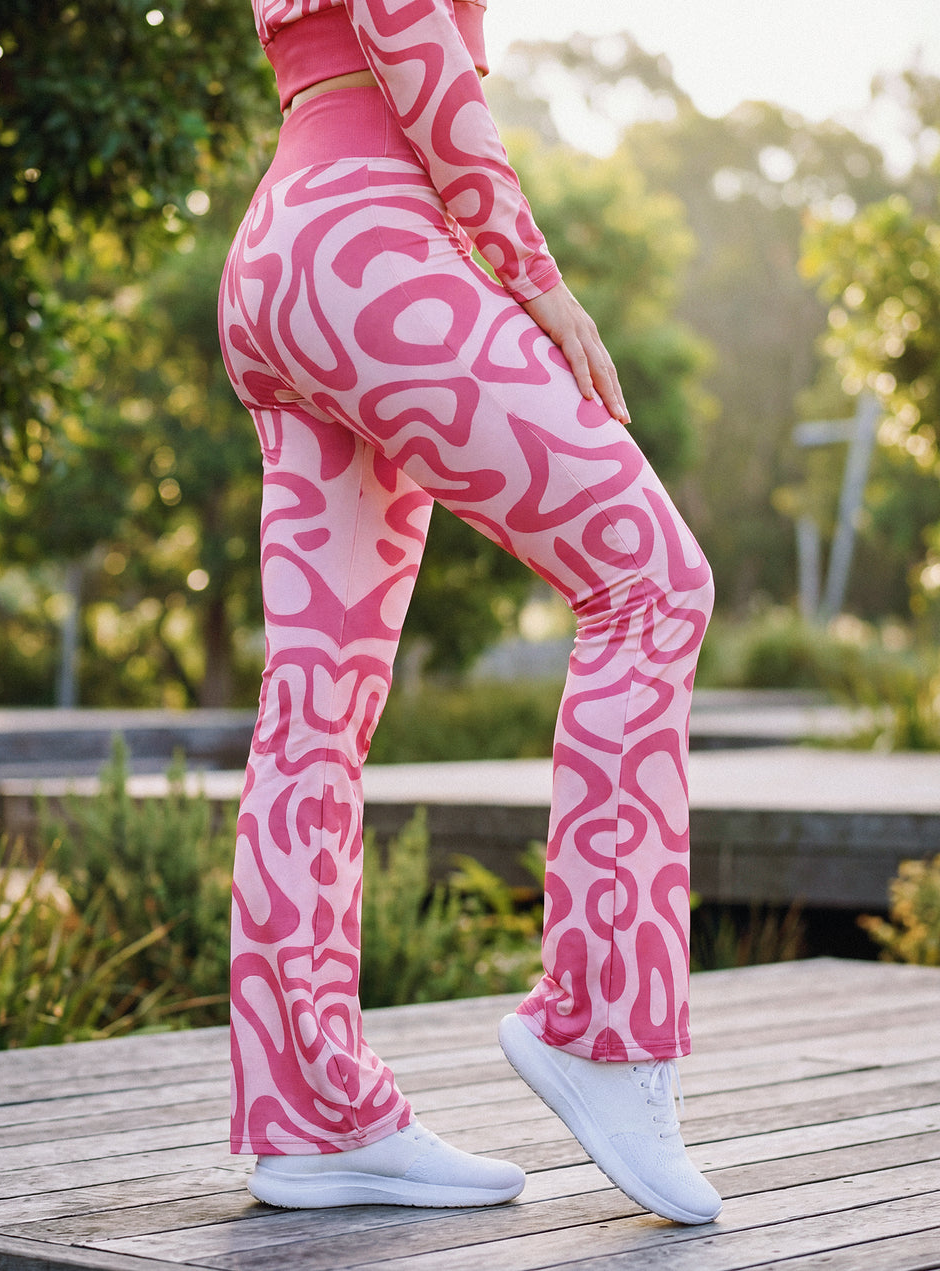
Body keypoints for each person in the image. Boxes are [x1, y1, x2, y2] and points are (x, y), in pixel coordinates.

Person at [218, 0, 721, 1225]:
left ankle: (312, 1113)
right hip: (376, 243)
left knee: (315, 704)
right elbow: (405, 34)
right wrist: (540, 287)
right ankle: (599, 1025)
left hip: (281, 248)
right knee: (654, 585)